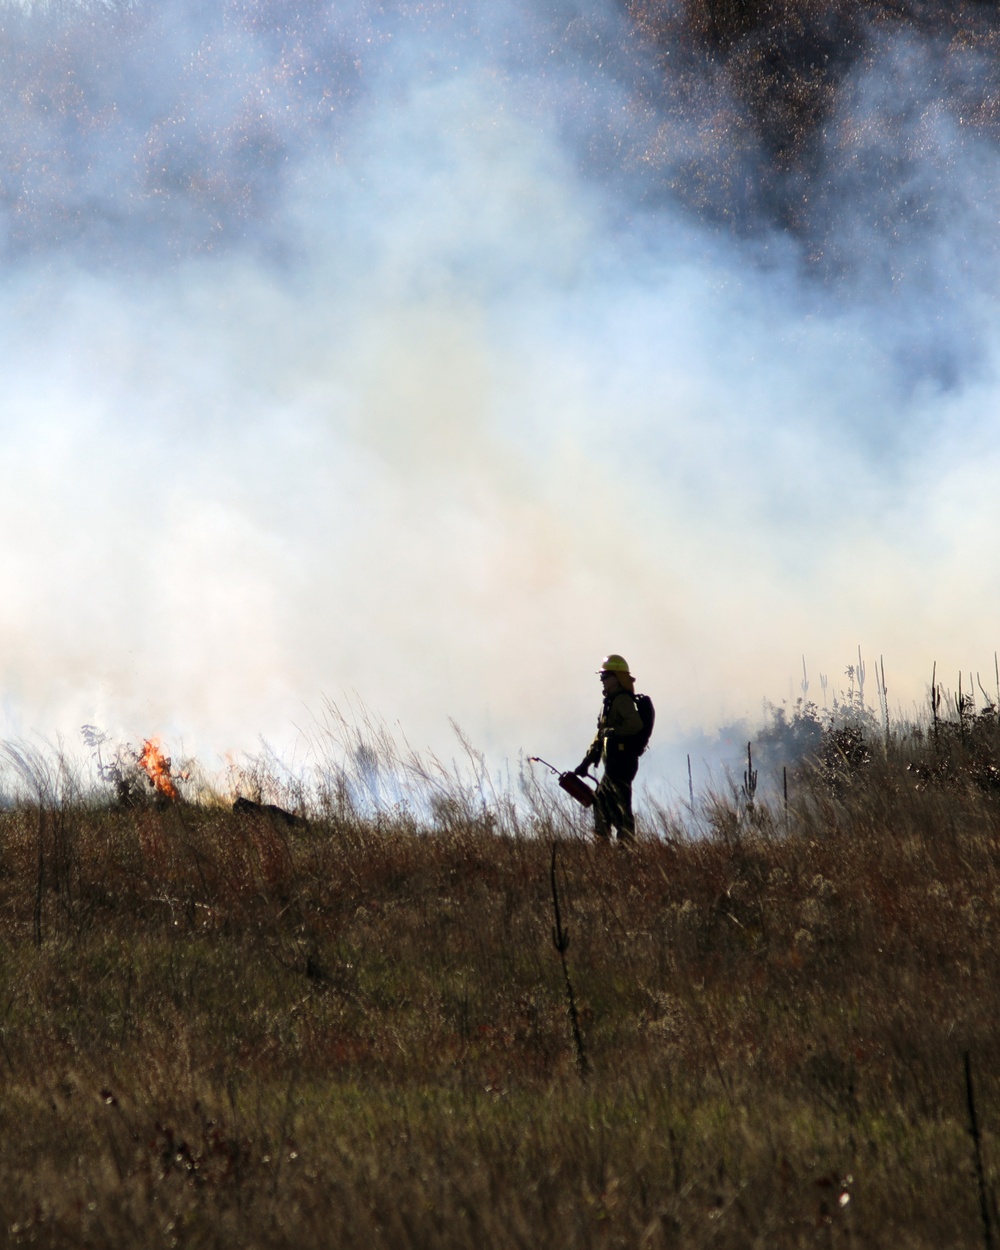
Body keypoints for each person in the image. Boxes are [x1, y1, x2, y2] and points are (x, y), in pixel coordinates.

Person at [574, 655, 645, 842]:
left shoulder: (622, 700)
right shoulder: (610, 702)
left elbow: (635, 725)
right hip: (613, 763)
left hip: (623, 763)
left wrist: (613, 732)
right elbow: (601, 735)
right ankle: (606, 843)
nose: (602, 681)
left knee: (618, 805)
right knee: (602, 802)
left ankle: (624, 849)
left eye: (605, 677)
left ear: (617, 678)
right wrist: (587, 761)